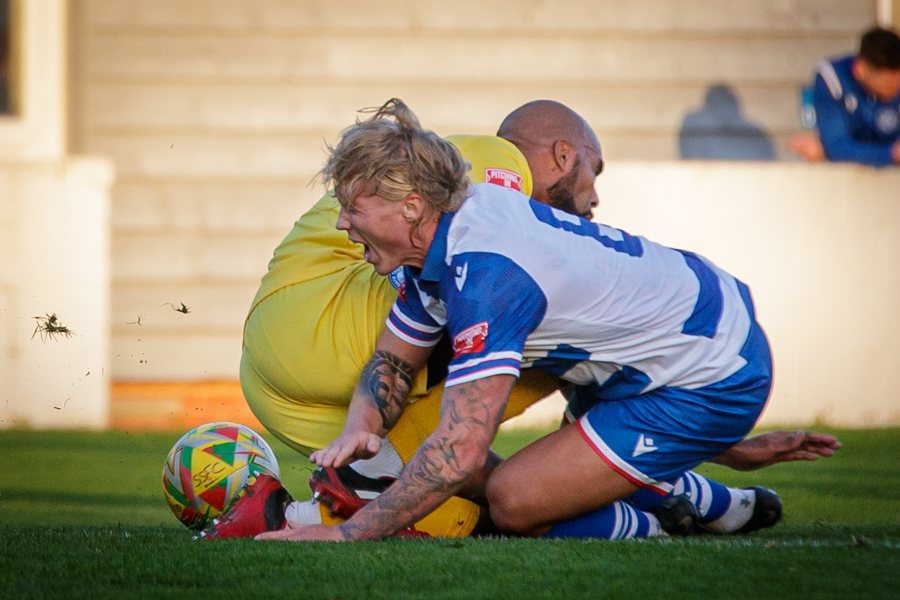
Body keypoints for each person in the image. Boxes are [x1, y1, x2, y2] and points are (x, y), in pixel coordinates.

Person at [242, 99, 838, 543]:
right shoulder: (451, 235)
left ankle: (663, 514)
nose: (343, 225)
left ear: (412, 206)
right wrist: (360, 426)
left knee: (511, 503)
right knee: (477, 470)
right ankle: (683, 491)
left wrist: (348, 534)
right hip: (670, 348)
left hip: (714, 373)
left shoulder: (488, 274)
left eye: (354, 207)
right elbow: (391, 362)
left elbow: (460, 451)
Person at [789, 26, 900, 165]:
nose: (896, 89)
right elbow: (837, 147)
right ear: (860, 70)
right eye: (887, 85)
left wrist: (830, 152)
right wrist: (891, 154)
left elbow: (833, 150)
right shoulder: (833, 79)